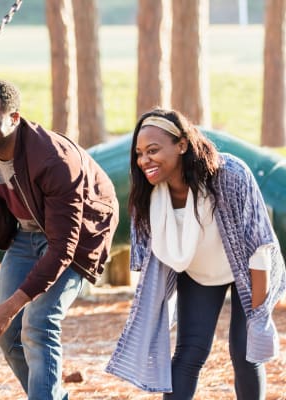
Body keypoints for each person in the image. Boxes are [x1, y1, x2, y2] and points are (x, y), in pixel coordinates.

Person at [0, 79, 119, 399]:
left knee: (38, 324)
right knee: (8, 336)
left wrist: (9, 306)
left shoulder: (53, 159)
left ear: (14, 119)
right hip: (27, 231)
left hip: (80, 235)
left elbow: (62, 247)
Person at [106, 108, 286, 399]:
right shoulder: (147, 194)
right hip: (199, 272)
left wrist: (258, 317)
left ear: (182, 144)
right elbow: (152, 263)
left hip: (249, 269)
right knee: (190, 352)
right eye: (139, 153)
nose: (144, 160)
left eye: (153, 150)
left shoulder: (230, 175)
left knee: (245, 351)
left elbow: (259, 246)